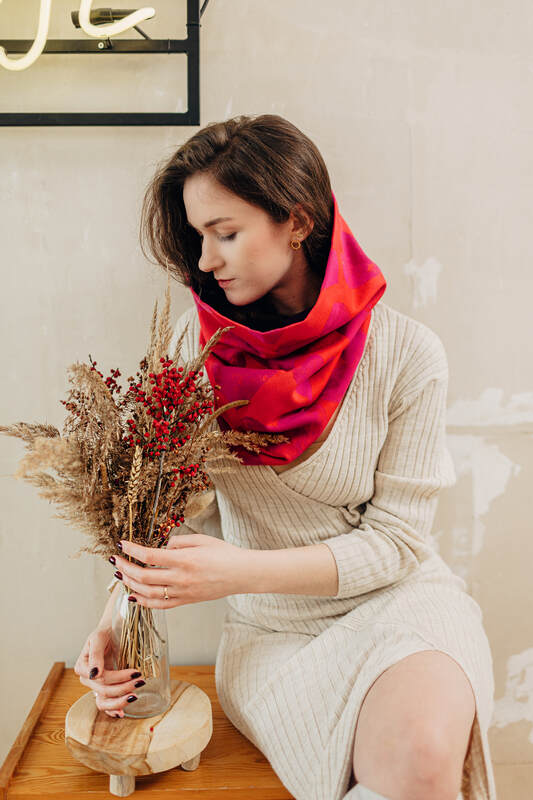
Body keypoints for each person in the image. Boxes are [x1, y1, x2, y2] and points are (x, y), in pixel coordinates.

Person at [75, 114, 497, 800]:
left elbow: (397, 544)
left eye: (225, 233)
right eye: (198, 237)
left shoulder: (407, 354)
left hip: (403, 607)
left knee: (423, 759)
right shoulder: (191, 348)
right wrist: (115, 621)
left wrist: (236, 570)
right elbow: (156, 510)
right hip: (272, 634)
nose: (205, 261)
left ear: (296, 221)